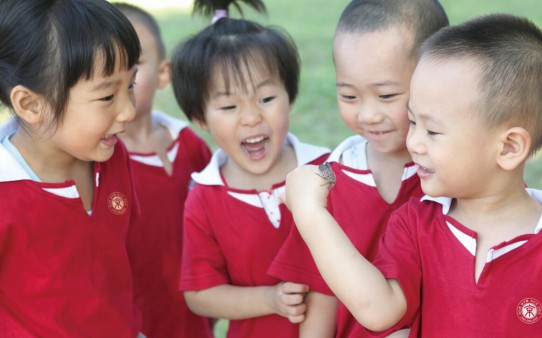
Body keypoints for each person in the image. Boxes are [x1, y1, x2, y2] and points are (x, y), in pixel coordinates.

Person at [282, 13, 542, 337]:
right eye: (413, 122)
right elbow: (378, 311)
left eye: (432, 131)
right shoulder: (416, 223)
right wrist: (311, 212)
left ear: (508, 148)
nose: (413, 142)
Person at [268, 0, 448, 337]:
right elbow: (321, 292)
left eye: (386, 95)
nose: (367, 115)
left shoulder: (456, 176)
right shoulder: (327, 181)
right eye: (349, 96)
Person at [169, 0, 331, 337]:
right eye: (229, 106)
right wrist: (271, 299)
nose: (251, 117)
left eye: (267, 99)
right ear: (200, 118)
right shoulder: (205, 197)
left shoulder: (327, 170)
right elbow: (200, 294)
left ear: (291, 96)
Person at [0, 0, 143, 336]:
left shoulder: (112, 158)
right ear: (31, 105)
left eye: (131, 85)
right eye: (107, 96)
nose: (129, 112)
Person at [113, 3, 214, 338]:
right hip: (133, 320)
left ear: (162, 73)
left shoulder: (189, 146)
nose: (122, 78)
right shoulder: (95, 161)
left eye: (135, 63)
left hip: (195, 312)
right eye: (109, 66)